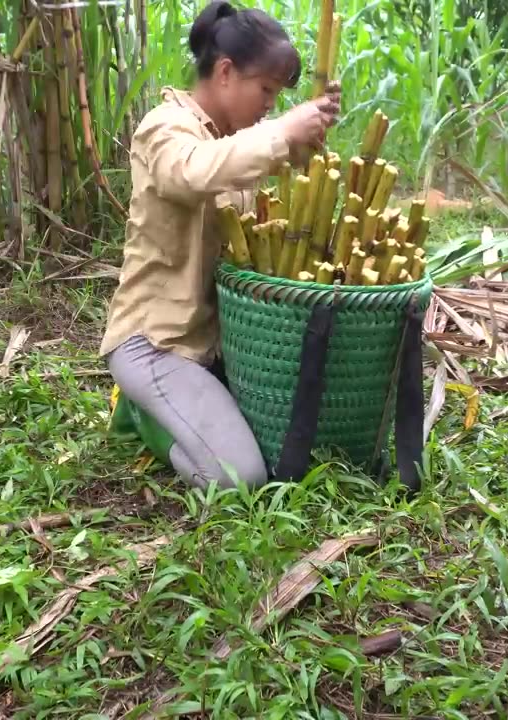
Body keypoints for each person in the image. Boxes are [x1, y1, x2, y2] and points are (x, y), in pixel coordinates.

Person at [100, 0, 342, 491]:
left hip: (219, 347)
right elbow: (195, 171)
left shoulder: (237, 140)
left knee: (292, 445)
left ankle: (177, 406)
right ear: (227, 72)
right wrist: (280, 132)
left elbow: (252, 161)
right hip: (156, 344)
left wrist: (305, 132)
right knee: (238, 478)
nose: (270, 106)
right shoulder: (164, 128)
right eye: (266, 91)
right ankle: (144, 419)